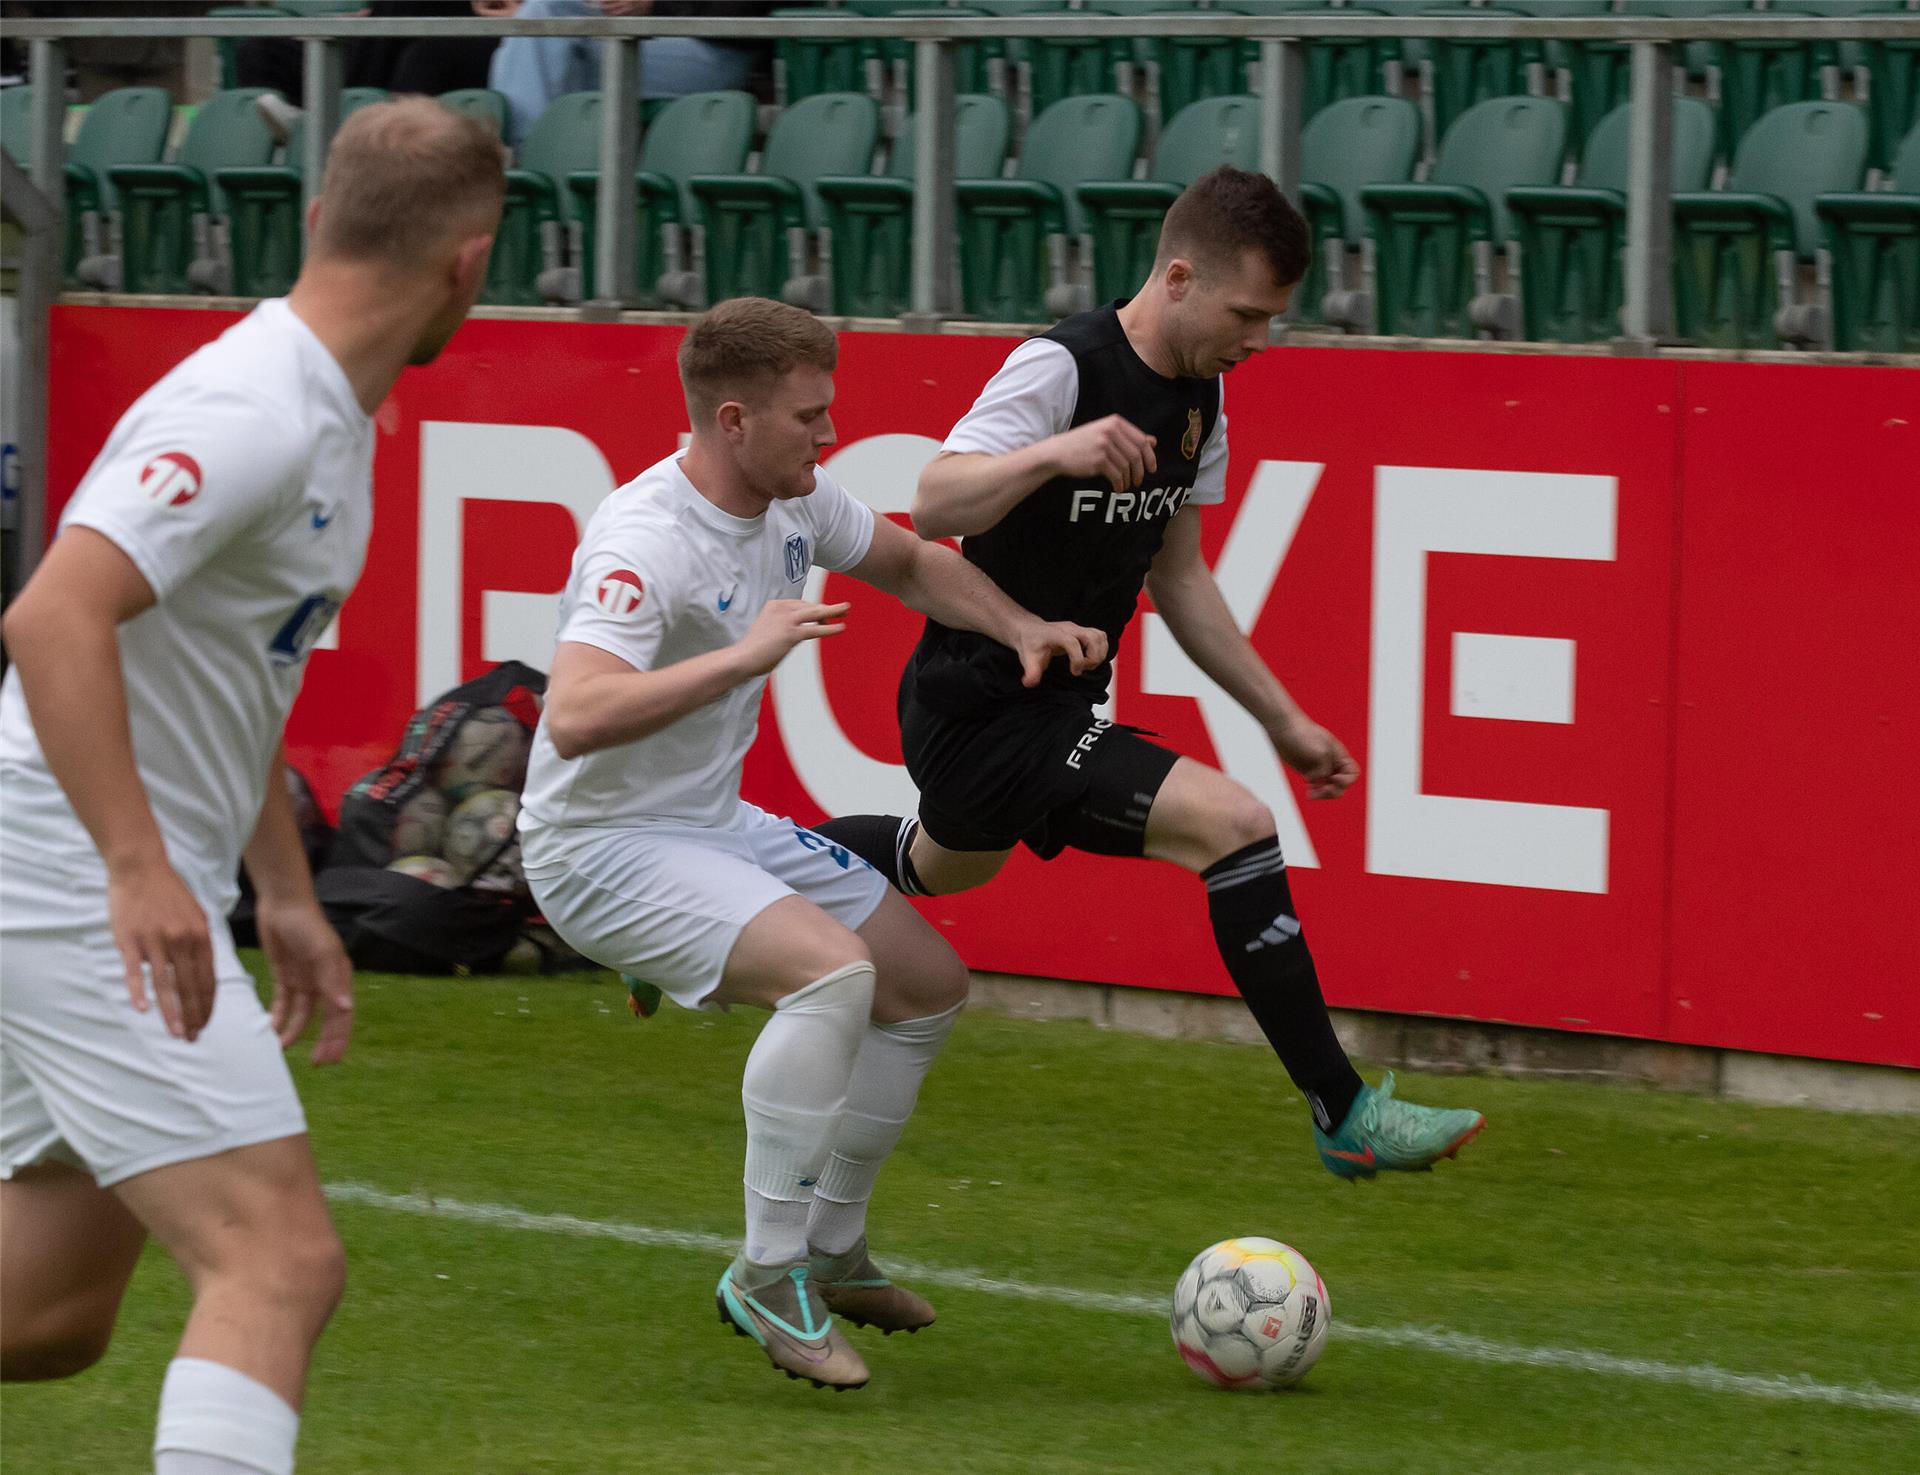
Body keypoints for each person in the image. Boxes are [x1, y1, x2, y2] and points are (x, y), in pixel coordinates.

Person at [0, 97, 503, 1475]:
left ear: (320, 217)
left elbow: (233, 679)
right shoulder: (252, 409)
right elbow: (52, 614)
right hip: (68, 872)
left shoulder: (334, 419)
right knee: (279, 1258)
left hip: (80, 869)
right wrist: (134, 864)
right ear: (471, 262)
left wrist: (280, 883)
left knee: (46, 1308)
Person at [814, 166, 1486, 1182]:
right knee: (1236, 824)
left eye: (1273, 318)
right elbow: (936, 501)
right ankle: (1344, 1110)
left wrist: (1286, 720)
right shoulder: (1061, 369)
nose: (1259, 338)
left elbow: (1182, 583)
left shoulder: (1199, 401)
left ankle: (722, 871)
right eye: (1247, 312)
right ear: (1178, 277)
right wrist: (1056, 454)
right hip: (983, 702)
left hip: (1054, 703)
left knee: (935, 863)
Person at [518, 296, 1106, 1392]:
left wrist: (1022, 627)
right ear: (732, 420)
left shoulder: (793, 500)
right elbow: (576, 714)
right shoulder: (645, 537)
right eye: (808, 416)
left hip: (703, 823)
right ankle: (767, 1269)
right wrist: (744, 658)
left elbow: (913, 563)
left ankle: (832, 1247)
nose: (827, 435)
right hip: (595, 846)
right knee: (834, 976)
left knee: (926, 981)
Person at [489, 0, 776, 148]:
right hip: (633, 32)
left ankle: (525, 159)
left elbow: (745, 7)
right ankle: (537, 163)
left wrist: (654, 4)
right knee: (539, 18)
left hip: (712, 48)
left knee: (533, 46)